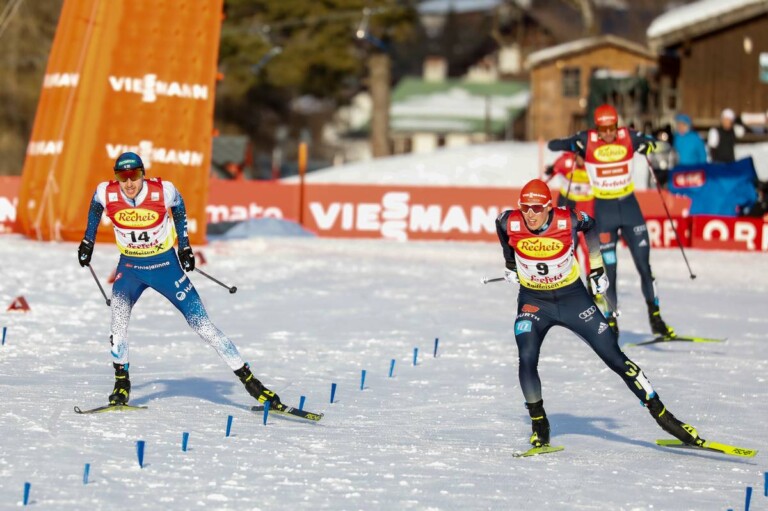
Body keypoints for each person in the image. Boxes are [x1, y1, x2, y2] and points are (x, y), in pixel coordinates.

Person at [495, 178, 704, 449]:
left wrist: (596, 269)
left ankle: (664, 416)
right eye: (525, 207)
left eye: (536, 208)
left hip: (573, 299)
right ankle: (539, 424)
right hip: (534, 302)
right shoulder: (509, 221)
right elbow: (501, 230)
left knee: (615, 357)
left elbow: (591, 226)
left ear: (549, 207)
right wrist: (510, 263)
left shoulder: (566, 219)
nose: (530, 214)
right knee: (526, 357)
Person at [77, 152, 280, 407]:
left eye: (135, 176)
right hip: (130, 267)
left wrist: (184, 247)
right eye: (122, 177)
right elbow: (96, 206)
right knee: (117, 326)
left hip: (165, 266)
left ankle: (253, 385)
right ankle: (121, 385)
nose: (129, 183)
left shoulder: (163, 191)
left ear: (143, 174)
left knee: (203, 326)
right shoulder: (106, 192)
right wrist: (88, 240)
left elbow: (179, 208)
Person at [547, 104, 674, 337]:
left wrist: (649, 144)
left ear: (617, 125)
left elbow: (658, 143)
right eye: (603, 129)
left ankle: (656, 318)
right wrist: (571, 145)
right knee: (609, 271)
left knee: (644, 267)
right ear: (597, 127)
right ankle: (611, 321)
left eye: (611, 128)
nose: (607, 134)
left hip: (629, 208)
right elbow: (552, 145)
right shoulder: (587, 139)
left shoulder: (629, 136)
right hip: (604, 212)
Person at [544, 152, 594, 272]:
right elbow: (546, 178)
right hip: (568, 203)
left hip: (587, 204)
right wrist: (549, 171)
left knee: (588, 246)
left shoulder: (593, 163)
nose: (582, 160)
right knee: (570, 244)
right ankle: (573, 277)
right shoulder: (565, 161)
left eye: (585, 156)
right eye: (580, 156)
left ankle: (591, 280)